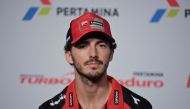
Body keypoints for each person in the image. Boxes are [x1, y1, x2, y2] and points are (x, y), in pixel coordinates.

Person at [39, 12, 152, 109]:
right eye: (83, 46)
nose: (93, 54)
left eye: (101, 45)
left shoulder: (140, 107)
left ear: (111, 53)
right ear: (69, 56)